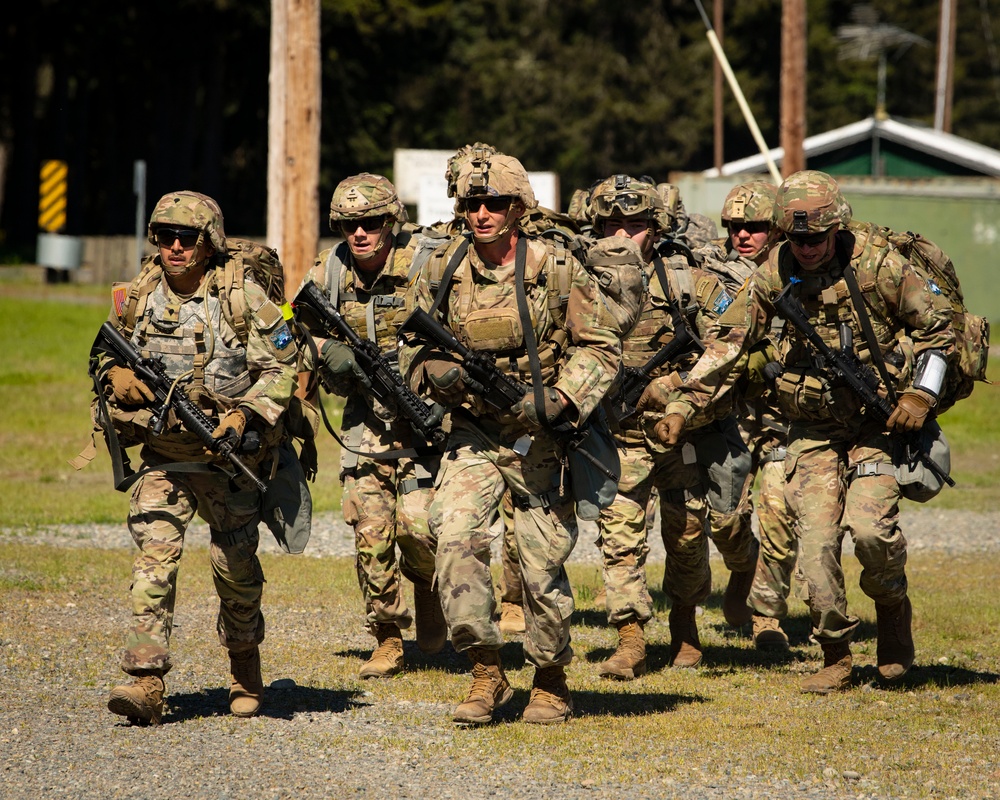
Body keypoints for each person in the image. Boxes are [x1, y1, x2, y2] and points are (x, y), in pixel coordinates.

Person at [656, 170, 955, 692]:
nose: (807, 248)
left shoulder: (879, 265)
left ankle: (892, 614)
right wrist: (683, 404)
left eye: (816, 238)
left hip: (877, 425)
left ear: (836, 229)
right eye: (796, 239)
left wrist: (920, 394)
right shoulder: (773, 272)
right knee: (815, 546)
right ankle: (836, 654)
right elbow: (727, 344)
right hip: (811, 428)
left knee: (868, 530)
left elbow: (942, 328)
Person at [399, 153, 622, 724]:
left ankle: (550, 679)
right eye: (472, 204)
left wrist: (559, 396)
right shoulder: (443, 269)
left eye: (494, 203)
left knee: (540, 564)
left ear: (518, 208)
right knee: (453, 537)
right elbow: (410, 348)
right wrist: (432, 371)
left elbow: (603, 348)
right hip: (473, 433)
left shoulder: (556, 268)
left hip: (540, 440)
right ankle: (485, 672)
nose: (481, 214)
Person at [101, 191, 299, 723]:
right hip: (165, 457)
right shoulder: (140, 295)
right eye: (165, 236)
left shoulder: (242, 297)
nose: (175, 247)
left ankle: (243, 663)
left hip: (227, 458)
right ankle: (145, 681)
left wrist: (242, 416)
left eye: (187, 238)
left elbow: (283, 369)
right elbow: (103, 354)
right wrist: (114, 378)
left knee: (234, 568)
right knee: (153, 561)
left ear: (208, 243)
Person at [588, 175, 752, 677]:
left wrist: (679, 392)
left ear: (655, 229)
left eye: (633, 225)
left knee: (686, 534)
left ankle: (685, 623)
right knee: (618, 538)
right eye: (610, 225)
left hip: (679, 433)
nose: (621, 236)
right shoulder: (575, 283)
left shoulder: (689, 283)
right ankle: (631, 638)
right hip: (614, 433)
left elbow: (730, 341)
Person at [294, 173, 447, 679]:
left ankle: (426, 592)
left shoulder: (426, 261)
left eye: (371, 223)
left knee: (420, 528)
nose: (359, 234)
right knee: (370, 530)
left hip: (426, 418)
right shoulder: (330, 271)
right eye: (349, 225)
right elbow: (289, 332)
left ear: (391, 222)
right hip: (365, 422)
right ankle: (386, 637)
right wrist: (323, 352)